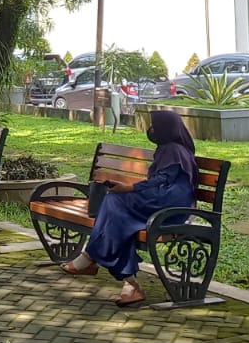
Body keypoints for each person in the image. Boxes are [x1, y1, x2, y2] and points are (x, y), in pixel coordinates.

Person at [59, 109, 199, 309]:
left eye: (155, 126)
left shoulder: (174, 149)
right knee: (118, 217)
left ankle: (90, 257)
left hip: (168, 204)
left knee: (114, 201)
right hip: (159, 199)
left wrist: (129, 188)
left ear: (166, 129)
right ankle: (130, 283)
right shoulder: (168, 147)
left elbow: (162, 180)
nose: (151, 130)